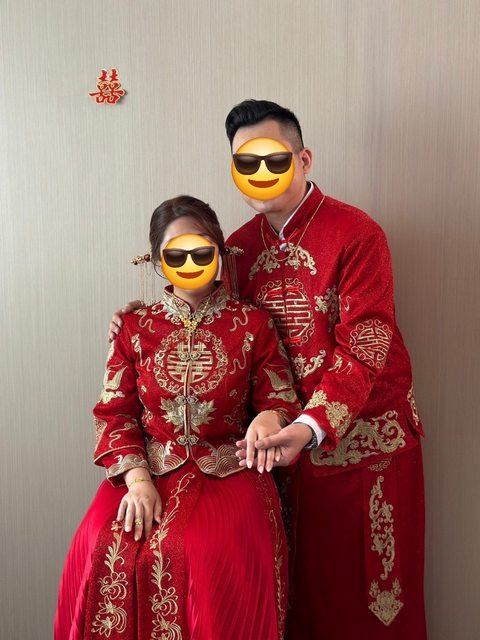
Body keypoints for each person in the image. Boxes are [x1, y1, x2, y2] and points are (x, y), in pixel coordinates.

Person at [109, 101, 427, 639]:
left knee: (370, 607)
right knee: (287, 605)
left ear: (304, 159)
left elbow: (367, 342)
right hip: (271, 457)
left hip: (364, 448)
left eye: (274, 159)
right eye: (246, 162)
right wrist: (142, 319)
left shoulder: (356, 233)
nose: (261, 173)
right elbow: (213, 327)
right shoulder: (236, 248)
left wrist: (308, 425)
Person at [55, 195, 301, 640]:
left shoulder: (253, 325)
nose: (190, 263)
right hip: (146, 468)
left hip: (230, 467)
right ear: (156, 261)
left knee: (202, 552)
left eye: (201, 251)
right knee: (99, 542)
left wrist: (270, 416)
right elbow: (114, 412)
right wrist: (137, 481)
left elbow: (281, 399)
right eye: (176, 254)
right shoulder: (134, 328)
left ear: (220, 253)